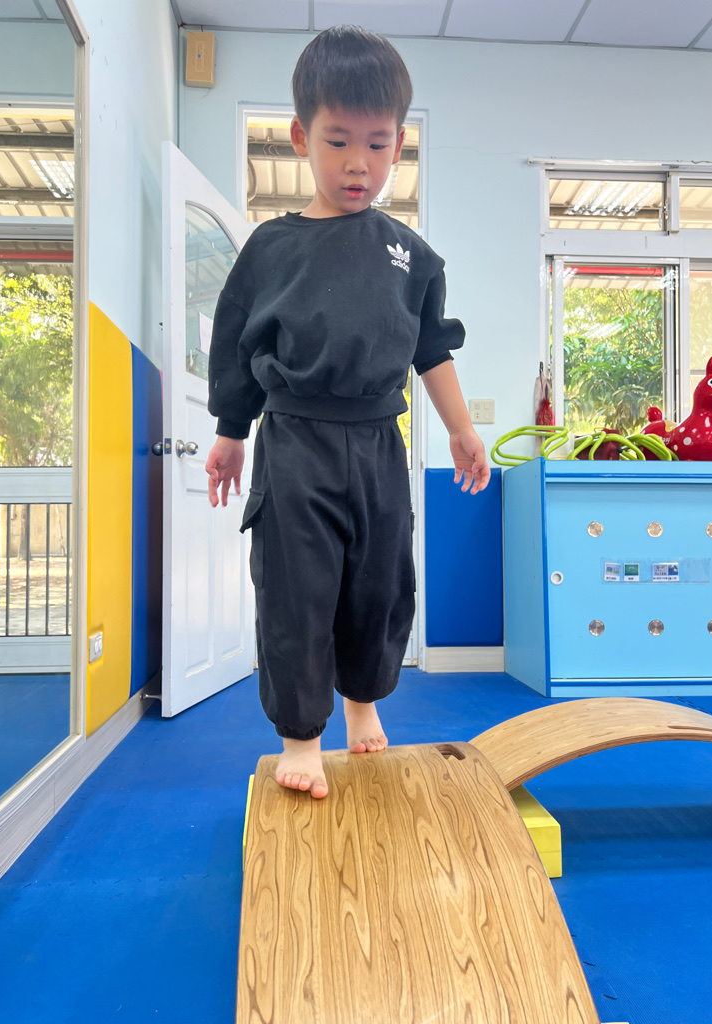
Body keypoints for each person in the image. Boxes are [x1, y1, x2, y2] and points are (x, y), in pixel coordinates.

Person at [205, 24, 490, 799]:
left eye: (377, 143)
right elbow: (236, 346)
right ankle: (302, 736)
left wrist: (463, 429)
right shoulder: (271, 249)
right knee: (296, 588)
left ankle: (363, 702)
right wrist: (230, 434)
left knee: (379, 580)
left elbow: (431, 349)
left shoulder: (410, 255)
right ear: (302, 138)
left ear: (398, 144)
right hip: (294, 440)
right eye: (337, 142)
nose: (358, 163)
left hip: (377, 444)